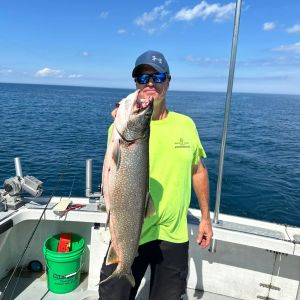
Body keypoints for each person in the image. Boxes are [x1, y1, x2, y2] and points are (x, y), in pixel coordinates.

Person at [99, 50, 213, 300]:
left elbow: (199, 170)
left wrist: (205, 218)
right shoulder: (118, 127)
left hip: (174, 235)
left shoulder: (186, 125)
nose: (150, 83)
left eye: (157, 76)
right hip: (131, 233)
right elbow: (110, 175)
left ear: (168, 81)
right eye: (142, 78)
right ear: (136, 84)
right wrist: (122, 121)